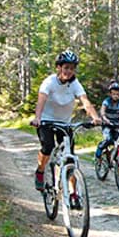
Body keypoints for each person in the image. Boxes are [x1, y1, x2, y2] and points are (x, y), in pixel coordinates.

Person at [31, 51, 102, 208]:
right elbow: (41, 100)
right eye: (66, 67)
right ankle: (41, 171)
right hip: (46, 121)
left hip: (65, 123)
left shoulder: (75, 84)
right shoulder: (49, 82)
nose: (69, 71)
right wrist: (38, 118)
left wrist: (95, 117)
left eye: (72, 68)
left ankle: (73, 193)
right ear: (59, 67)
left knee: (69, 158)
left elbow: (85, 101)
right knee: (47, 147)